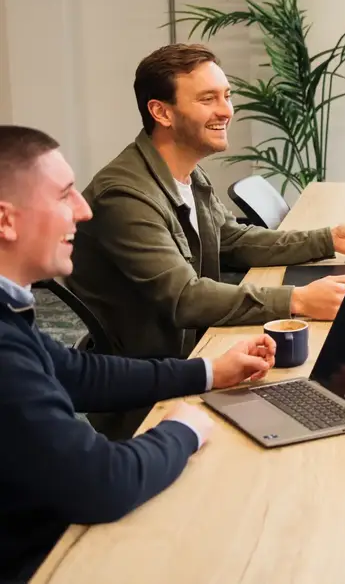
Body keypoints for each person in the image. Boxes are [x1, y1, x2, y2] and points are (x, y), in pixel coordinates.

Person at [0, 126, 278, 583]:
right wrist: (181, 430)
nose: (83, 210)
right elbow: (100, 482)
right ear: (7, 221)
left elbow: (77, 373)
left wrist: (208, 372)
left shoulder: (11, 311)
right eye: (64, 195)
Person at [67, 43, 345, 368]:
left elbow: (233, 240)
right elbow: (184, 298)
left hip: (200, 345)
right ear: (161, 112)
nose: (226, 110)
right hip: (159, 373)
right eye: (208, 99)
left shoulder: (188, 174)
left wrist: (328, 238)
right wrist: (298, 299)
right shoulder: (124, 195)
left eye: (226, 96)